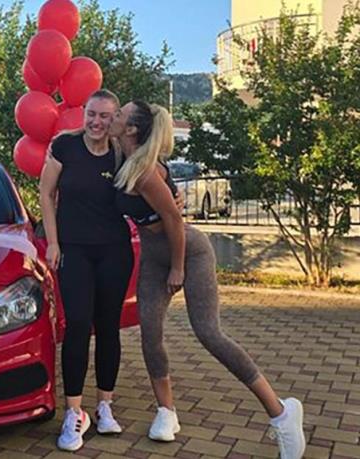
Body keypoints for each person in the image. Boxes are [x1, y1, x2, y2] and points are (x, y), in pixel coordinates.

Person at [110, 100, 306, 459]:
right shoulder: (122, 157)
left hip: (189, 253)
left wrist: (178, 268)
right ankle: (166, 411)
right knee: (150, 333)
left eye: (119, 114)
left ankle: (281, 412)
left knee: (209, 333)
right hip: (154, 258)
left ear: (132, 129)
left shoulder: (145, 172)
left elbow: (173, 220)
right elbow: (85, 132)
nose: (113, 117)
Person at [39, 89, 133, 452]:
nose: (96, 122)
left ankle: (105, 405)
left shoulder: (121, 152)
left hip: (114, 251)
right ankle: (74, 412)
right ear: (84, 114)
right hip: (73, 250)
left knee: (108, 326)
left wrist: (174, 196)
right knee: (78, 324)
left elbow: (151, 176)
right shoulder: (64, 146)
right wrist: (53, 242)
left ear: (115, 119)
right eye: (92, 114)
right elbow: (46, 194)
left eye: (105, 116)